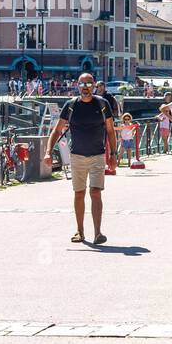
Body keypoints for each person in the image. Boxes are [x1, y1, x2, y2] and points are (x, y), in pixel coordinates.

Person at [47, 72, 116, 244]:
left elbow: (110, 130)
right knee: (79, 193)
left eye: (88, 83)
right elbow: (57, 130)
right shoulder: (71, 105)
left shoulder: (102, 103)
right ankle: (79, 231)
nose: (85, 87)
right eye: (82, 83)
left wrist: (113, 154)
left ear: (94, 85)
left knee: (95, 192)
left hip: (98, 155)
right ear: (77, 86)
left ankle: (98, 233)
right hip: (77, 155)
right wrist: (48, 151)